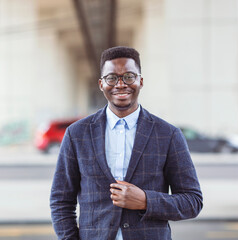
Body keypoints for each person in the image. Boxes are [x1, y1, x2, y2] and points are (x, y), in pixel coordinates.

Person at [50, 46, 203, 240]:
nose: (120, 84)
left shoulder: (168, 134)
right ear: (101, 84)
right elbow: (61, 200)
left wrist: (146, 201)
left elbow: (192, 201)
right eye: (112, 77)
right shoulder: (77, 134)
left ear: (140, 81)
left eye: (129, 76)